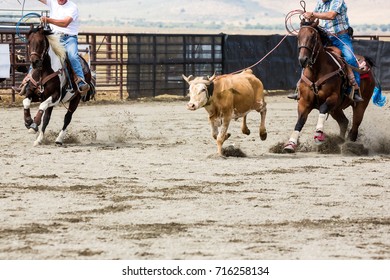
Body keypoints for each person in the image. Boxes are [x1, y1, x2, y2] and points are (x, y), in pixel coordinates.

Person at [288, 0, 363, 102]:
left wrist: (313, 14)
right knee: (309, 56)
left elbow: (331, 15)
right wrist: (309, 16)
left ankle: (354, 90)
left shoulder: (337, 1)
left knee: (350, 58)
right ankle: (300, 88)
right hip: (325, 37)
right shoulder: (320, 3)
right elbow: (315, 17)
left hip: (341, 37)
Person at [14, 0, 89, 95]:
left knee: (72, 56)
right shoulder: (53, 2)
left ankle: (80, 81)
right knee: (38, 54)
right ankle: (28, 81)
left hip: (69, 38)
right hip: (54, 37)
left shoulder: (72, 7)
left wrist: (48, 20)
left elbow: (65, 23)